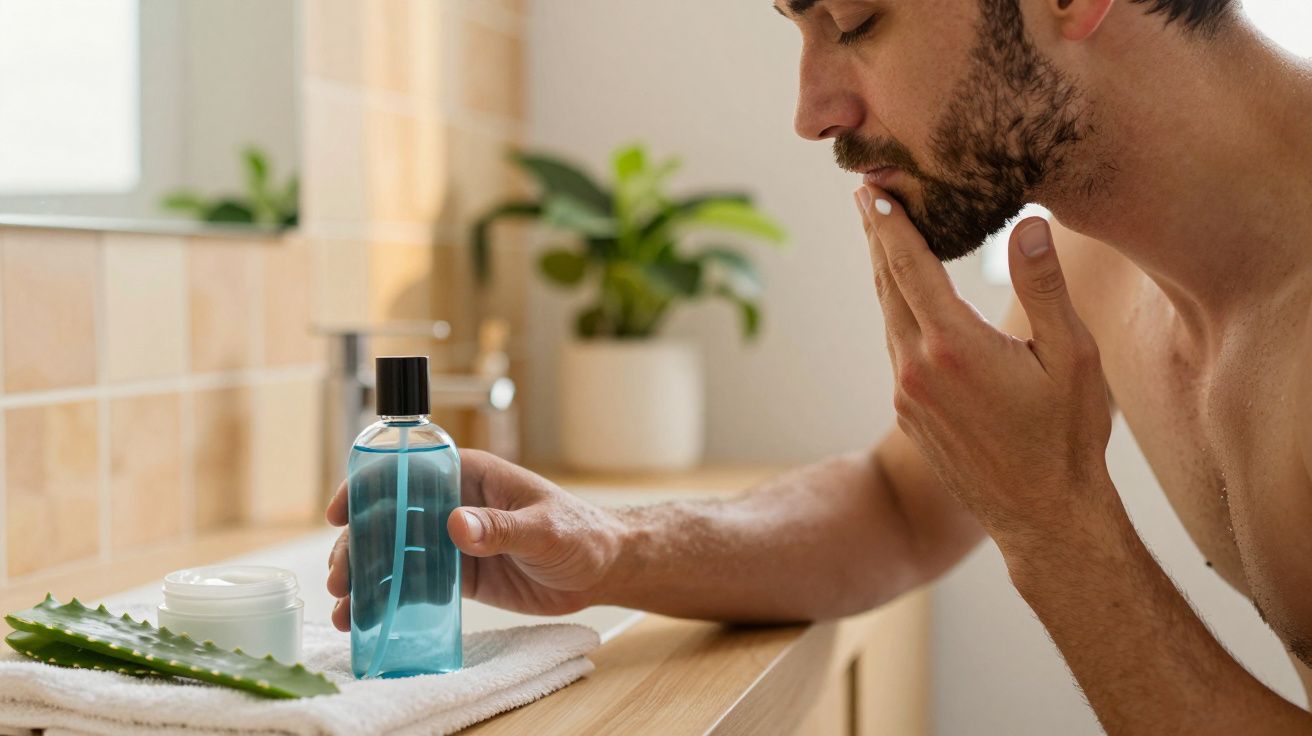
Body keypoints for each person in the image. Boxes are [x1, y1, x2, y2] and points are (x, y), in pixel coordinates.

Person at [327, 0, 1312, 730]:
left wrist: (1052, 522)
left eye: (855, 21)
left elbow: (1016, 514)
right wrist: (610, 546)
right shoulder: (1097, 265)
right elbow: (895, 506)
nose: (811, 110)